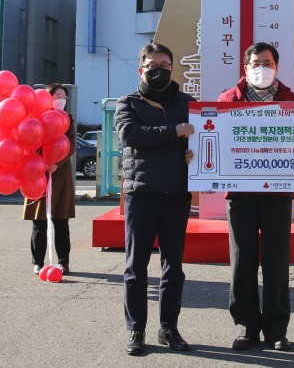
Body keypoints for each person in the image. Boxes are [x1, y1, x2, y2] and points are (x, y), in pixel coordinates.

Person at [216, 42, 294, 352]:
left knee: (276, 263)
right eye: (255, 63)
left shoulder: (292, 101)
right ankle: (246, 326)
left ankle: (276, 329)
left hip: (277, 193)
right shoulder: (227, 100)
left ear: (277, 66)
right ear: (245, 68)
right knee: (242, 261)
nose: (262, 67)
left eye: (268, 62)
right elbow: (215, 142)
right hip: (240, 193)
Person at [116, 42, 195, 356]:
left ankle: (169, 329)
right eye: (152, 65)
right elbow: (130, 136)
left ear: (172, 68)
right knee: (135, 267)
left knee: (173, 268)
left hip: (176, 193)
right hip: (141, 193)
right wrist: (174, 131)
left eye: (164, 64)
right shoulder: (128, 103)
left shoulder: (187, 103)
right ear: (141, 69)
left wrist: (195, 154)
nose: (158, 69)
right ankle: (136, 329)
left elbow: (202, 139)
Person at [22, 83, 75, 275]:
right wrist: (40, 161)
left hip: (60, 175)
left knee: (61, 221)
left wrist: (56, 163)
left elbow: (71, 146)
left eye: (64, 97)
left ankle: (63, 262)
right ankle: (38, 261)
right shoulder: (34, 117)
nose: (61, 100)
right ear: (47, 97)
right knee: (39, 221)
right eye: (58, 96)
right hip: (37, 172)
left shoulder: (67, 119)